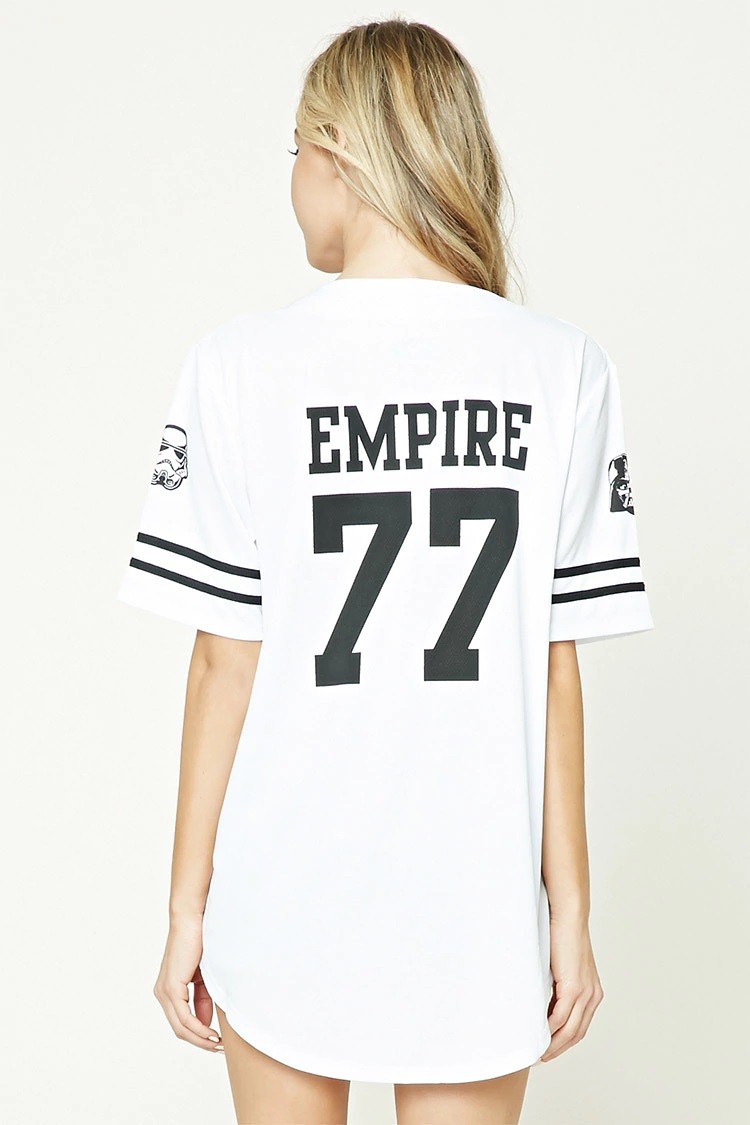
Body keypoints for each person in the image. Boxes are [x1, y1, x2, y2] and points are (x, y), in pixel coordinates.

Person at [116, 18, 654, 1125]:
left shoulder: (239, 366)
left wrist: (185, 910)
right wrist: (570, 911)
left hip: (286, 889)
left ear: (341, 155)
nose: (292, 182)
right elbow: (552, 668)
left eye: (294, 151)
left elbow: (223, 661)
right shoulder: (563, 368)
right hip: (477, 903)